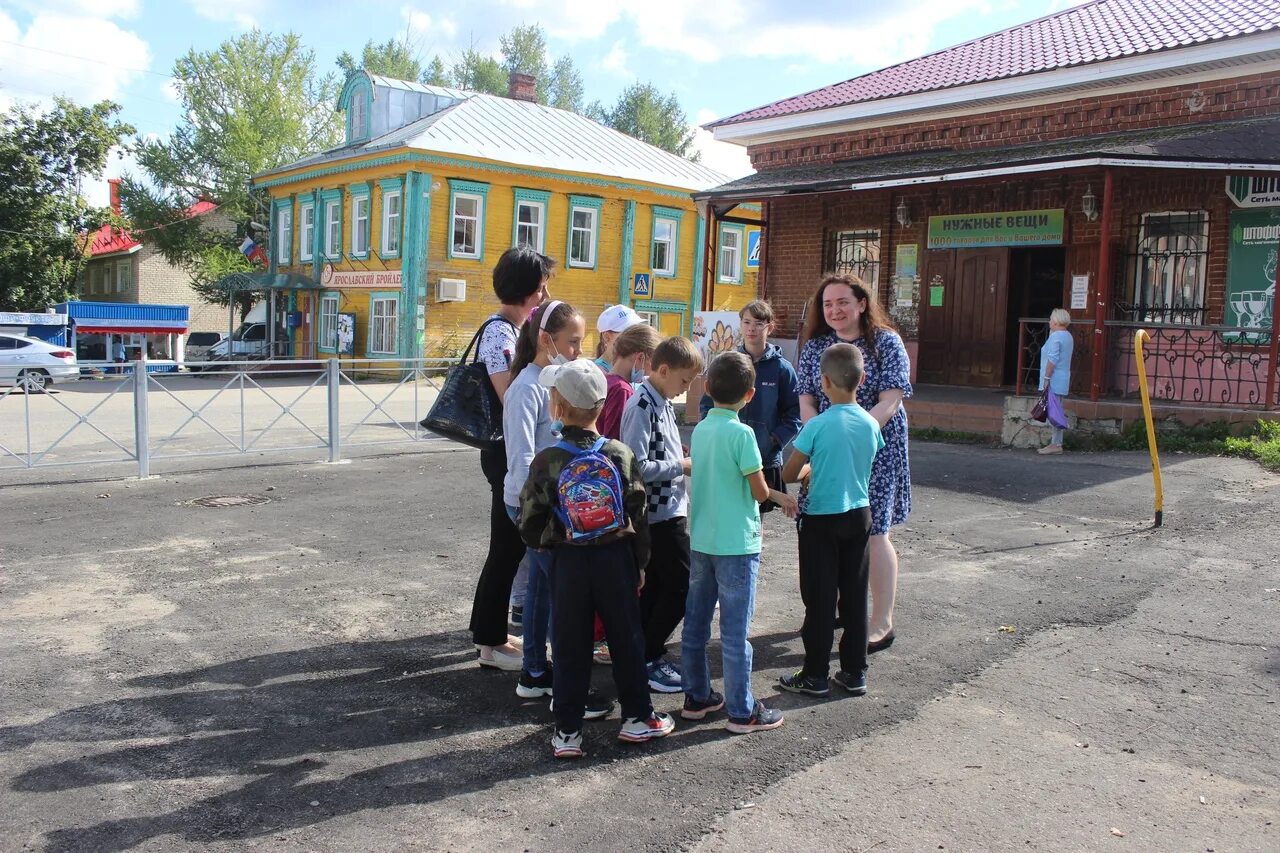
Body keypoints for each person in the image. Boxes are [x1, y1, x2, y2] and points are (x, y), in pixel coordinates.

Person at [519, 358, 675, 758]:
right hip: (616, 559)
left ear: (558, 407)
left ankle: (568, 732)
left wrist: (548, 545)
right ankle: (639, 719)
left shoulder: (548, 459)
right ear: (603, 407)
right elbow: (637, 512)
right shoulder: (620, 454)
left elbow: (530, 518)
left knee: (570, 643)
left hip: (569, 562)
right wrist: (640, 563)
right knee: (626, 637)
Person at [796, 273, 912, 654]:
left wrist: (850, 435)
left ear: (862, 303)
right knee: (828, 528)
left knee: (875, 531)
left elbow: (890, 400)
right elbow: (807, 400)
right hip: (828, 451)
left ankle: (881, 623)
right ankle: (834, 612)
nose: (835, 310)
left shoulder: (886, 343)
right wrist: (822, 441)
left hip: (876, 448)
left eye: (843, 302)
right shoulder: (815, 347)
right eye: (828, 304)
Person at [683, 350, 794, 733]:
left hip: (702, 540)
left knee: (696, 623)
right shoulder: (743, 434)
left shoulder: (700, 429)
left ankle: (696, 697)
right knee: (734, 631)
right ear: (750, 395)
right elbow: (760, 491)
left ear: (708, 387)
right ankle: (741, 709)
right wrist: (783, 497)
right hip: (737, 545)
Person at [779, 344, 884, 698]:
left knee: (820, 598)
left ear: (824, 381)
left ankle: (815, 674)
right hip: (859, 513)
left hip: (821, 518)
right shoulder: (871, 423)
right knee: (855, 595)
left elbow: (791, 472)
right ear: (862, 379)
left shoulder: (817, 425)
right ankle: (855, 671)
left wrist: (808, 469)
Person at [469, 246, 554, 671]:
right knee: (505, 549)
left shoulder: (512, 330)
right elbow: (511, 396)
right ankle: (489, 642)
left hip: (512, 449)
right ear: (529, 288)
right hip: (506, 451)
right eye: (542, 284)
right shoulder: (501, 332)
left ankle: (493, 635)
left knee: (508, 549)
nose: (545, 292)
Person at [503, 300, 584, 696]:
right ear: (546, 339)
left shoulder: (548, 382)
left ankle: (535, 671)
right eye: (573, 342)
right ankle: (567, 686)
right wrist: (536, 513)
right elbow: (520, 461)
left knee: (540, 590)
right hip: (534, 506)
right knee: (560, 592)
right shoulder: (526, 388)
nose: (578, 352)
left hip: (548, 504)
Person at [621, 336, 702, 692]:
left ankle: (640, 654)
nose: (685, 390)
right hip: (658, 515)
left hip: (669, 510)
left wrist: (674, 453)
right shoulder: (642, 404)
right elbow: (635, 466)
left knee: (657, 587)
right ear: (664, 370)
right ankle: (648, 655)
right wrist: (680, 464)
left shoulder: (661, 400)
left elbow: (656, 451)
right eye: (684, 381)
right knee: (681, 587)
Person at [698, 300, 801, 513]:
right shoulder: (727, 363)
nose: (751, 328)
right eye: (746, 322)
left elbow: (795, 412)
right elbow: (707, 403)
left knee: (757, 516)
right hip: (727, 454)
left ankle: (753, 547)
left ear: (769, 327)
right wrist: (711, 433)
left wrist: (775, 439)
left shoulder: (782, 368)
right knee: (727, 508)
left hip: (765, 458)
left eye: (758, 323)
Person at [599, 322, 662, 440]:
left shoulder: (606, 380)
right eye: (653, 365)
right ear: (640, 358)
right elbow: (616, 442)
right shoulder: (622, 390)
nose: (651, 372)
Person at [1038, 308, 1074, 456]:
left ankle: (1056, 444)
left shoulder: (1056, 337)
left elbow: (1052, 359)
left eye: (1051, 319)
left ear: (1057, 321)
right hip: (1063, 377)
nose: (1049, 322)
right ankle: (1056, 442)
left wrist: (1046, 378)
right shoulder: (1067, 336)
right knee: (1056, 410)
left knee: (1054, 412)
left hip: (1054, 378)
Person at [594, 304, 645, 370]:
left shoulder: (633, 366)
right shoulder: (598, 372)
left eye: (636, 330)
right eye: (628, 332)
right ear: (606, 337)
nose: (635, 337)